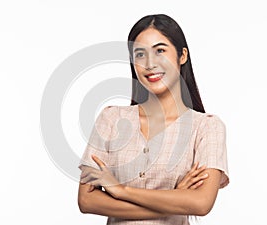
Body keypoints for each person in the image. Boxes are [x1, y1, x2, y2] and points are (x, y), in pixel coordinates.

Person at [77, 14, 229, 225]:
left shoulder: (206, 127)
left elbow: (201, 203)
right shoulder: (111, 118)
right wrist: (174, 198)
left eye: (160, 51)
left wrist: (120, 191)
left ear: (182, 55)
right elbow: (87, 200)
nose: (149, 64)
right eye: (140, 54)